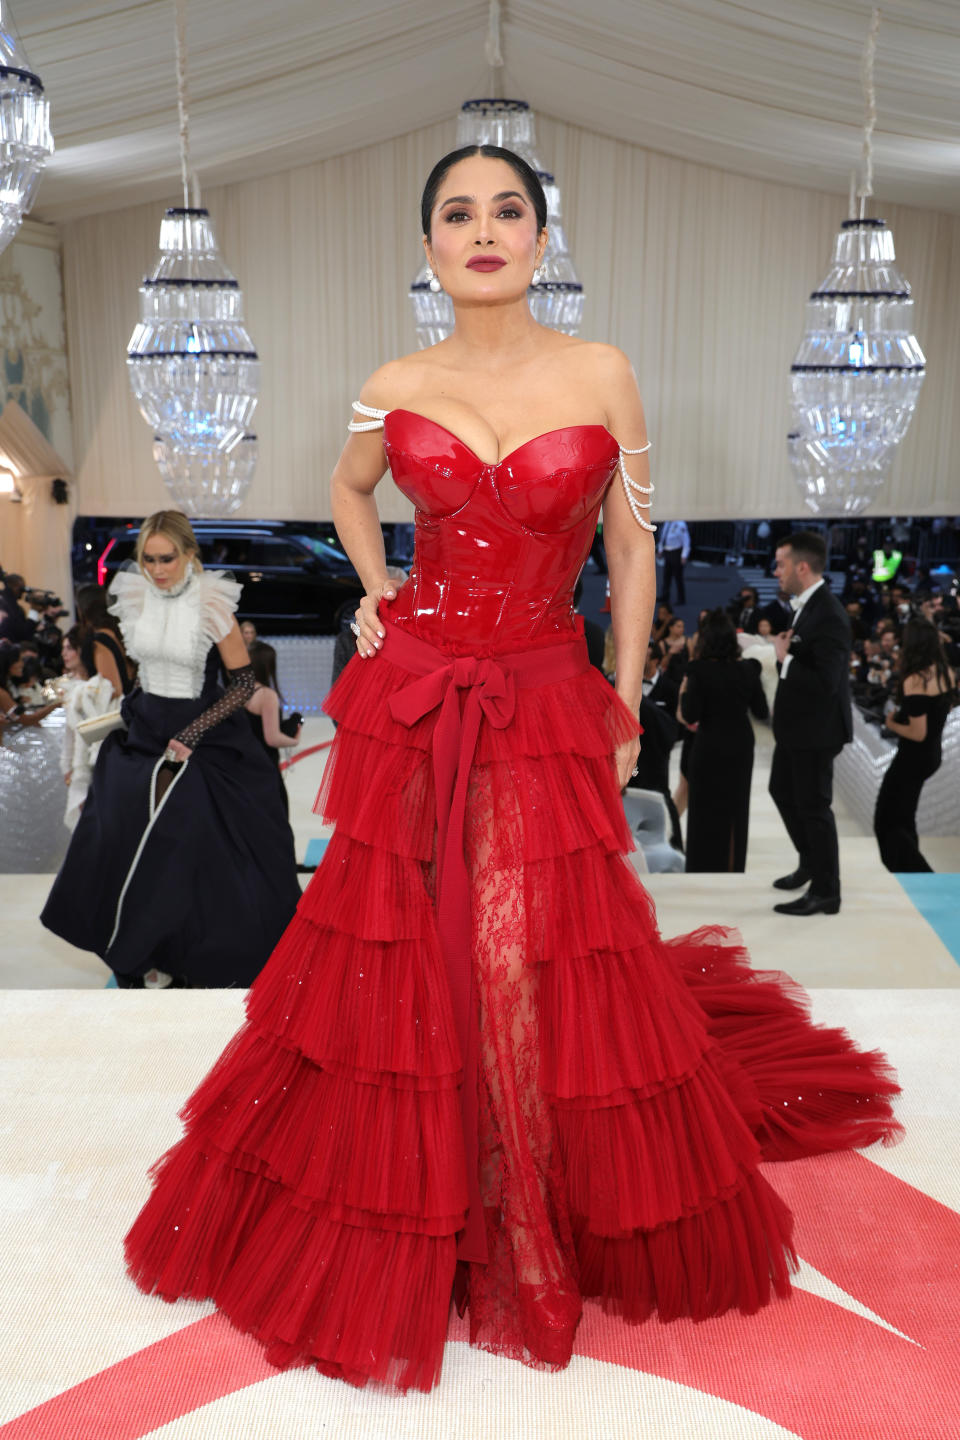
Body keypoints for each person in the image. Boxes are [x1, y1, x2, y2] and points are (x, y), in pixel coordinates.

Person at [124, 146, 901, 1392]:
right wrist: (378, 591)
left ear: (542, 241)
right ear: (427, 247)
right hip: (423, 687)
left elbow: (633, 550)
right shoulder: (397, 379)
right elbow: (348, 484)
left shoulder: (600, 373)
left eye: (508, 212)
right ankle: (419, 1192)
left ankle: (528, 1194)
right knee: (400, 942)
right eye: (456, 214)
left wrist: (628, 687)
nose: (483, 231)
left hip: (543, 689)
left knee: (523, 938)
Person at [41, 511, 301, 989]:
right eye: (149, 559)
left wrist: (195, 732)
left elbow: (243, 683)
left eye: (167, 558)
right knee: (115, 827)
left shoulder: (213, 606)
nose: (158, 569)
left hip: (202, 730)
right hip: (144, 728)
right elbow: (142, 670)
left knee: (187, 837)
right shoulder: (134, 596)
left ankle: (184, 953)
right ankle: (139, 949)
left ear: (189, 555)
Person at [769, 531, 853, 916]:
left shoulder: (830, 613)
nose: (776, 572)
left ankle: (826, 891)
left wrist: (786, 658)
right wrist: (789, 653)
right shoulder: (808, 605)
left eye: (781, 564)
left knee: (814, 808)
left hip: (816, 731)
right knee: (783, 792)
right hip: (797, 729)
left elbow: (825, 683)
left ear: (802, 567)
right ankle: (811, 861)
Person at [680, 609, 768, 872]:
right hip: (740, 745)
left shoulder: (698, 671)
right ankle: (732, 867)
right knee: (735, 807)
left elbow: (690, 715)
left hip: (709, 745)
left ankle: (701, 866)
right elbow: (762, 711)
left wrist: (685, 692)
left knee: (703, 809)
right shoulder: (749, 670)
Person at [873, 619, 956, 872]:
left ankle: (922, 877)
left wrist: (891, 723)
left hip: (914, 756)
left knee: (887, 821)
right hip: (931, 754)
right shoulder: (945, 672)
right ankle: (916, 879)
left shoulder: (916, 679)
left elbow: (918, 733)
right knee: (904, 818)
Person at [245, 640, 302, 819]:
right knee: (276, 821)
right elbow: (272, 738)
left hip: (242, 765)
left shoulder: (236, 691)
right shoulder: (266, 695)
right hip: (265, 765)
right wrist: (294, 740)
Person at [76, 584, 136, 699]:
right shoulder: (116, 634)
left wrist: (77, 691)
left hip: (115, 712)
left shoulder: (99, 641)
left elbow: (112, 689)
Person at [656, 518, 690, 605]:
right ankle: (665, 596)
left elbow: (686, 541)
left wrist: (684, 556)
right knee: (666, 576)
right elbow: (663, 537)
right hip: (667, 551)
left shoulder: (681, 524)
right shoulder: (667, 522)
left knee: (678, 577)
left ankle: (681, 598)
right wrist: (660, 549)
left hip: (676, 552)